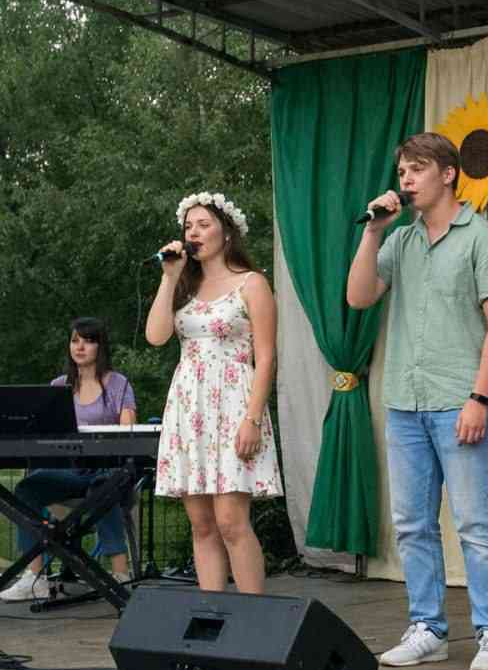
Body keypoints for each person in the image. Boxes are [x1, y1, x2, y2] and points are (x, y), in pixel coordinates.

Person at [346, 133, 488, 670]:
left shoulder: (483, 239)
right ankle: (428, 629)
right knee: (411, 524)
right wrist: (373, 231)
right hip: (405, 401)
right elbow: (358, 296)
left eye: (416, 169)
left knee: (475, 524)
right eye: (402, 172)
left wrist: (480, 398)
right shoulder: (400, 240)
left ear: (448, 174)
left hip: (459, 400)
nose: (406, 180)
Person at [145, 191, 281, 595]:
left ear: (227, 232)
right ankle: (213, 613)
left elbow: (266, 357)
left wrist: (252, 418)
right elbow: (156, 336)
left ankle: (254, 616)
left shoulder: (251, 283)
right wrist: (169, 276)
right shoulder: (183, 286)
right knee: (202, 524)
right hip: (190, 406)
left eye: (203, 224)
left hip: (235, 403)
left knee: (230, 521)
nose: (194, 232)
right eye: (188, 226)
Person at [1, 318, 138, 602]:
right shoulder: (58, 386)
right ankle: (34, 577)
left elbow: (128, 431)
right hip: (70, 472)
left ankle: (120, 574)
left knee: (104, 487)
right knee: (27, 489)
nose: (80, 346)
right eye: (75, 340)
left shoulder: (118, 383)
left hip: (108, 471)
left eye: (88, 340)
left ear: (100, 346)